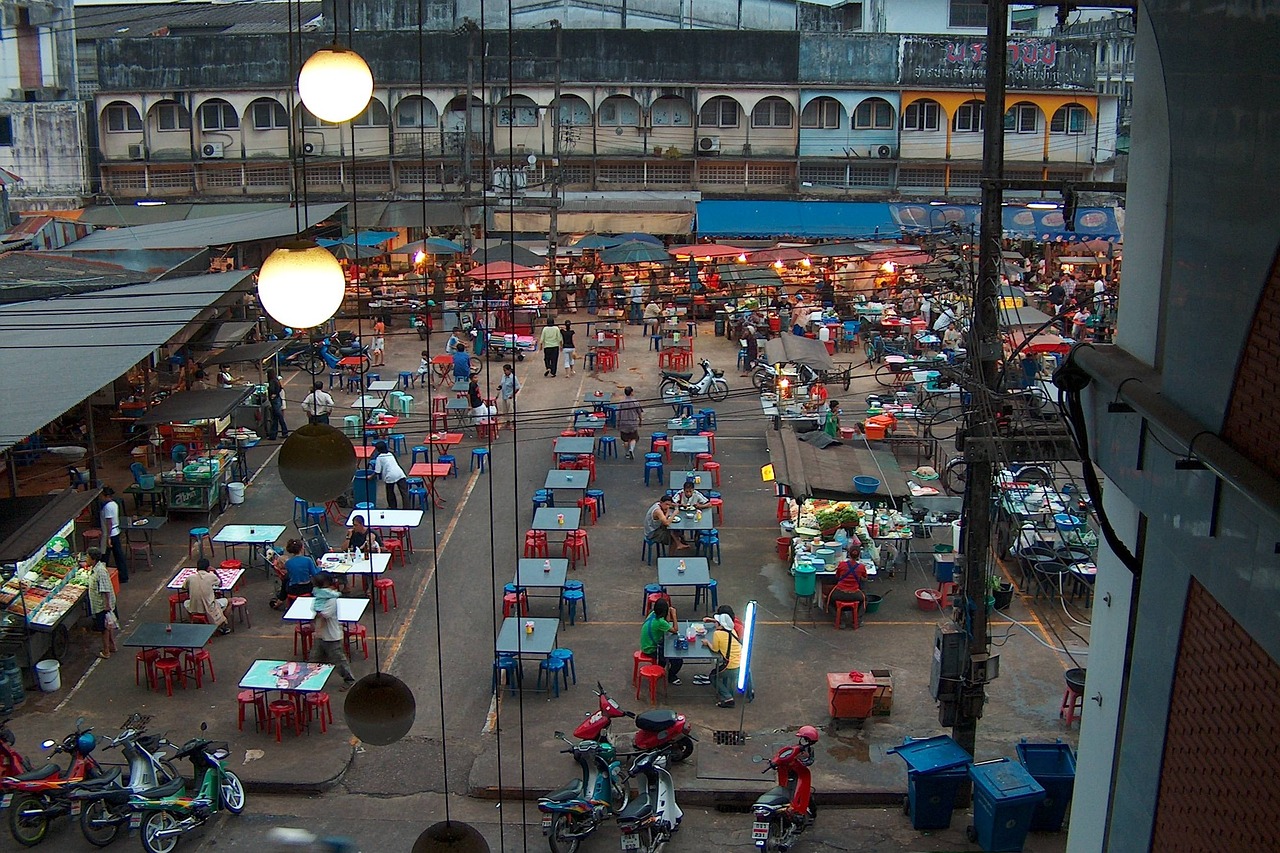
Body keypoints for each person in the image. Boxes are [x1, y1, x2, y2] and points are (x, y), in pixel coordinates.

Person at [309, 572, 357, 690]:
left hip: (331, 636)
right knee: (314, 658)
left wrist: (316, 625)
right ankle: (311, 680)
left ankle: (349, 680)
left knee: (339, 661)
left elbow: (323, 615)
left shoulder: (331, 601)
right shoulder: (320, 599)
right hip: (321, 635)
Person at [700, 612, 742, 707]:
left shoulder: (718, 634)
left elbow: (715, 649)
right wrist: (713, 620)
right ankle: (727, 694)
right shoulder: (733, 631)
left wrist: (707, 643)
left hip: (730, 666)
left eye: (716, 622)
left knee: (713, 676)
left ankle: (728, 698)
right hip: (740, 664)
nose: (715, 623)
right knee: (717, 673)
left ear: (720, 625)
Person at [639, 598, 682, 685]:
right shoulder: (660, 622)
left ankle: (660, 666)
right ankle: (671, 676)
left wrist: (667, 613)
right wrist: (674, 615)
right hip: (651, 650)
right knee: (677, 660)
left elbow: (667, 621)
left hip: (645, 645)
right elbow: (675, 630)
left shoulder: (652, 614)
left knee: (665, 647)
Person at [184, 557, 232, 634]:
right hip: (209, 607)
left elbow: (184, 587)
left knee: (186, 602)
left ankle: (194, 621)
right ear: (208, 568)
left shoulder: (190, 578)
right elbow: (220, 583)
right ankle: (222, 626)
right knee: (229, 602)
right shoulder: (211, 576)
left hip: (194, 607)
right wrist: (215, 572)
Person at [84, 548, 117, 659]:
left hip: (102, 605)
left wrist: (107, 605)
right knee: (108, 625)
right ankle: (112, 646)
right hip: (100, 604)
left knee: (104, 629)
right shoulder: (95, 569)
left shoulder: (100, 571)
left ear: (93, 559)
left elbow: (105, 590)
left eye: (87, 557)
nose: (86, 559)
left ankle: (106, 651)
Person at [98, 487, 129, 583]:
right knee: (117, 555)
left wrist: (108, 537)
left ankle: (102, 576)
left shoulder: (108, 507)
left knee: (105, 556)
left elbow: (109, 523)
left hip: (110, 534)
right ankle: (123, 575)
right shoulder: (114, 504)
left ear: (106, 496)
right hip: (115, 532)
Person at [371, 440, 409, 508]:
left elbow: (377, 472)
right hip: (400, 473)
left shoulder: (379, 458)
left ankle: (393, 507)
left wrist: (370, 477)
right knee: (404, 493)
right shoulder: (391, 454)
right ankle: (407, 508)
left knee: (390, 492)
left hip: (390, 475)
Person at [616, 385, 643, 459]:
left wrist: (617, 424)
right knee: (634, 438)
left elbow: (618, 414)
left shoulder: (621, 403)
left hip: (623, 423)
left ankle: (627, 453)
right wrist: (640, 421)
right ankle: (631, 449)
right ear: (631, 392)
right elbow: (639, 413)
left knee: (625, 439)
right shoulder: (635, 402)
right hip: (632, 423)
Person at [266, 368, 289, 440]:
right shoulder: (276, 380)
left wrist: (273, 394)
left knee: (278, 417)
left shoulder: (272, 382)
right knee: (276, 418)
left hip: (275, 401)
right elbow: (280, 388)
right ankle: (274, 435)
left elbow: (272, 389)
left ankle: (282, 432)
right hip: (278, 400)